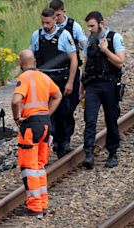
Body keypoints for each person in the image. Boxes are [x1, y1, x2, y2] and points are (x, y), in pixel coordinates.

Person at [11, 50, 62, 217]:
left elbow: (16, 100)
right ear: (34, 61)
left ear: (21, 62)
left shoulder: (24, 78)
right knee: (40, 166)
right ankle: (42, 203)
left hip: (30, 126)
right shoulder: (44, 77)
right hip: (45, 124)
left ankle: (34, 207)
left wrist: (17, 117)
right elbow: (57, 95)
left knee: (29, 168)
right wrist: (47, 113)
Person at [30, 8, 78, 159]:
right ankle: (48, 145)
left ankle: (63, 142)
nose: (45, 25)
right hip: (43, 80)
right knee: (45, 115)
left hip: (60, 81)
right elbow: (31, 58)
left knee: (63, 113)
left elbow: (73, 60)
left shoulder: (64, 35)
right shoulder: (36, 35)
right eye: (43, 22)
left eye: (48, 22)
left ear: (55, 20)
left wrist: (70, 82)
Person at [80, 11, 125, 169]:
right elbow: (86, 63)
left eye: (92, 26)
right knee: (90, 119)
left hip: (110, 84)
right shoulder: (90, 40)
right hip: (92, 84)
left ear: (101, 23)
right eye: (88, 26)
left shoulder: (114, 38)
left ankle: (112, 153)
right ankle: (89, 153)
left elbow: (120, 62)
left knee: (111, 119)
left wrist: (105, 50)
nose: (90, 29)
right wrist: (81, 87)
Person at [49, 0, 87, 152]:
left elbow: (85, 46)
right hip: (54, 75)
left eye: (58, 15)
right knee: (55, 108)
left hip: (71, 72)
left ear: (63, 12)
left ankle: (65, 137)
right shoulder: (48, 29)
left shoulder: (74, 26)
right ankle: (59, 139)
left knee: (69, 106)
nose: (56, 19)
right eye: (54, 16)